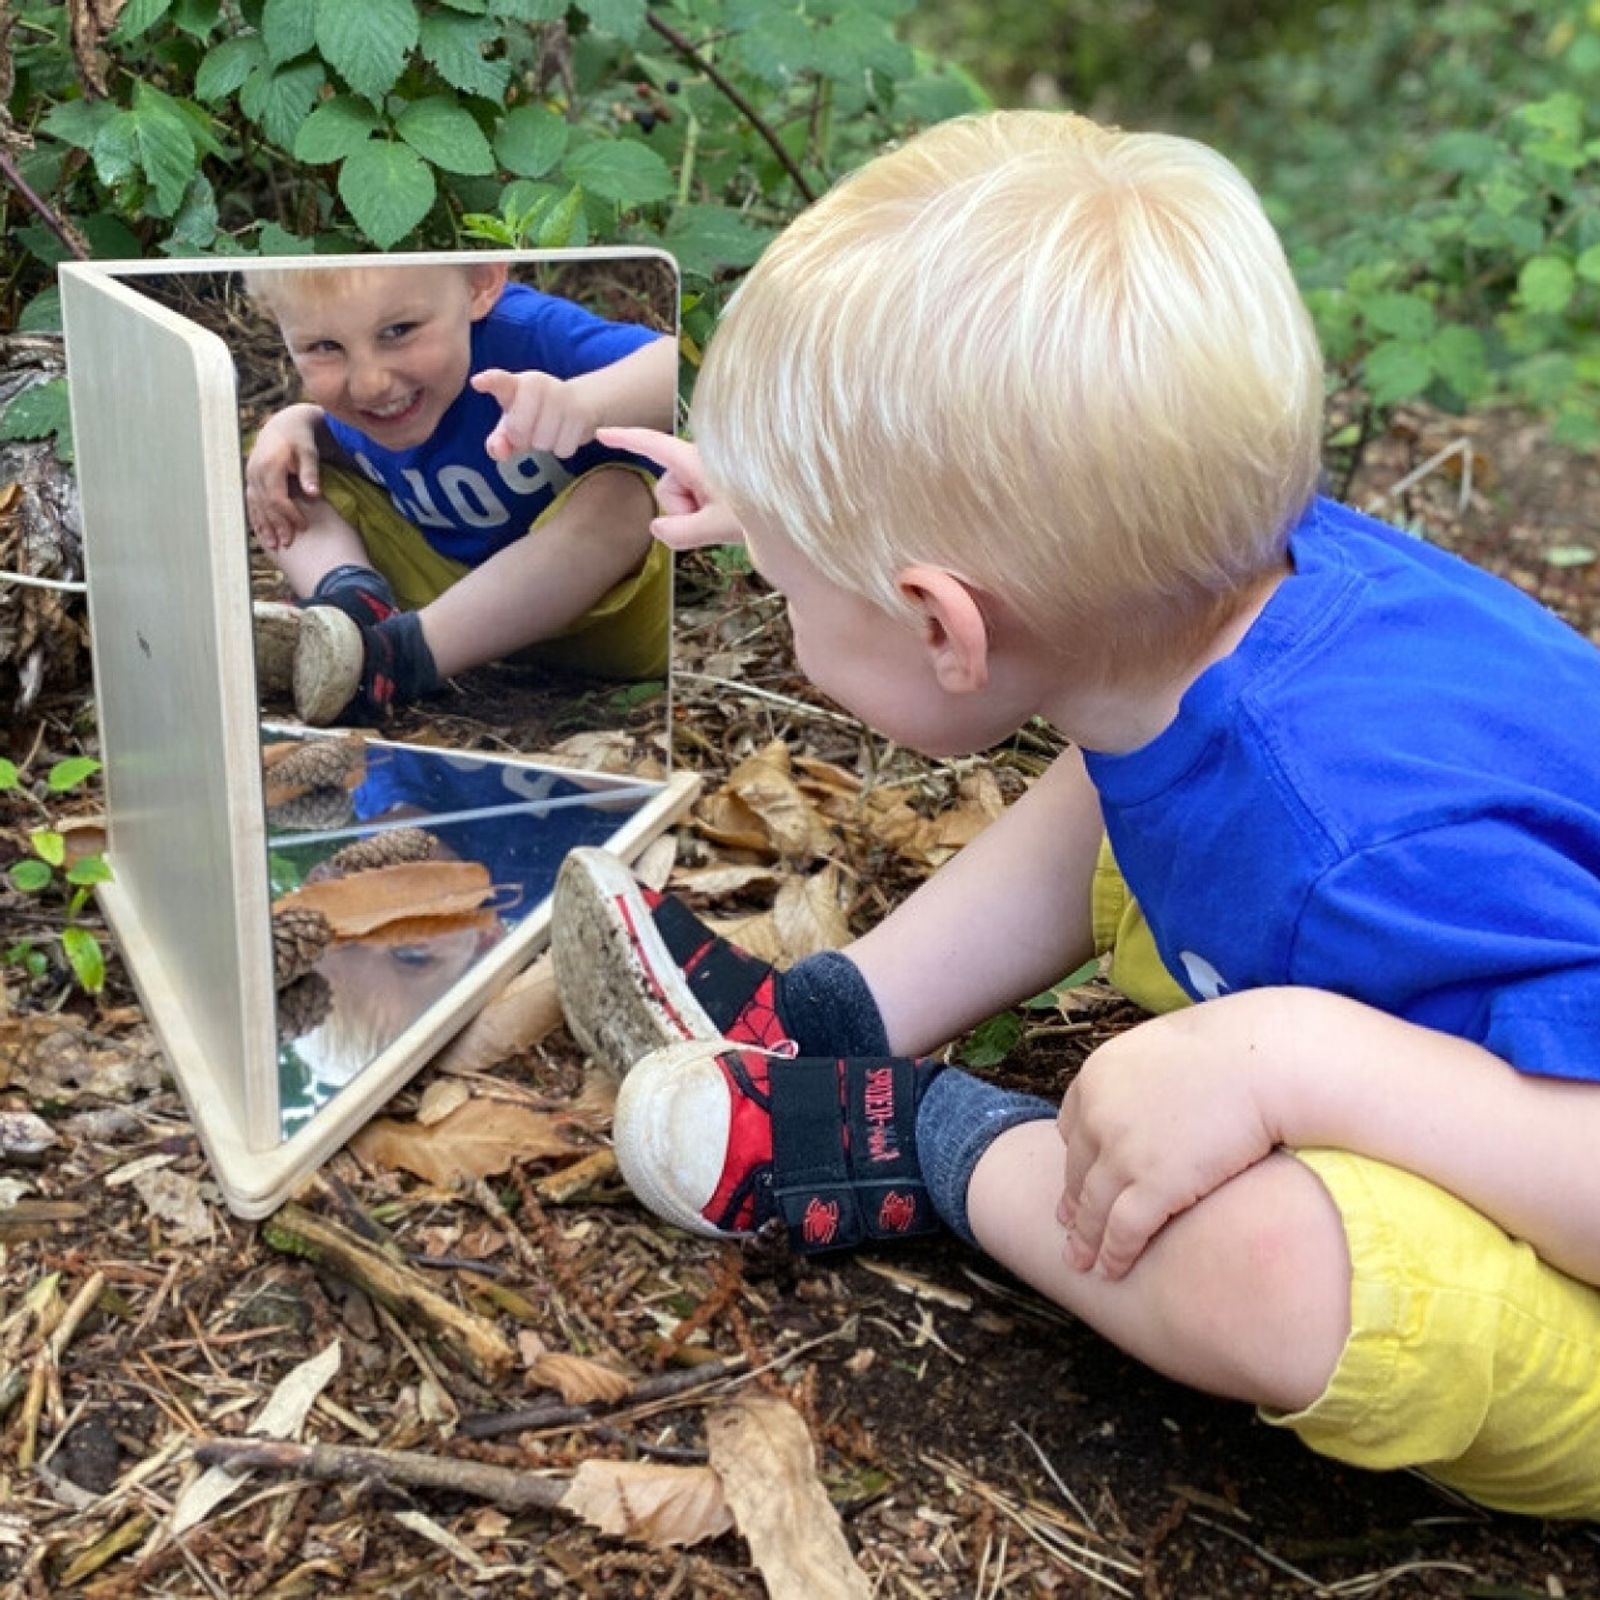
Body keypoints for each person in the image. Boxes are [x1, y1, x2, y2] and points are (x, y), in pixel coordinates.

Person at [548, 110, 1600, 1520]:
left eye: (793, 589)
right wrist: (787, 502)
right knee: (1132, 744)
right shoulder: (1240, 590)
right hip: (1424, 1010)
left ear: (940, 624)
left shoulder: (1371, 835)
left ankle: (928, 1137)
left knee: (1269, 1273)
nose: (785, 609)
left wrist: (1295, 1061)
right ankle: (825, 1021)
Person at [245, 261, 676, 725]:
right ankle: (352, 613)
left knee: (623, 496)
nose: (369, 383)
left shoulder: (525, 334)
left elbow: (678, 368)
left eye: (398, 330)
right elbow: (333, 449)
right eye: (325, 347)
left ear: (479, 286)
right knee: (284, 471)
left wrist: (587, 402)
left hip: (608, 614)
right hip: (447, 609)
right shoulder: (366, 405)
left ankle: (391, 662)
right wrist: (298, 423)